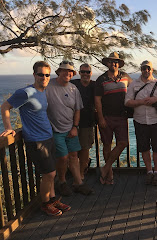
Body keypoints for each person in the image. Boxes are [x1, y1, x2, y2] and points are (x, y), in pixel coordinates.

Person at [0, 61, 71, 216]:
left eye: (47, 75)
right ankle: (45, 204)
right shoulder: (26, 92)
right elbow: (5, 107)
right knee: (49, 173)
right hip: (35, 140)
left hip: (48, 136)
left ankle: (52, 199)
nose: (44, 77)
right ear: (34, 75)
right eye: (40, 74)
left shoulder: (42, 92)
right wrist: (9, 128)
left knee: (51, 172)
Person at [46, 61, 93, 196]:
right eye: (64, 70)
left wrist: (75, 127)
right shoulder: (48, 86)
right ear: (58, 72)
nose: (67, 73)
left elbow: (77, 110)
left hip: (70, 128)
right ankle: (62, 182)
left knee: (73, 156)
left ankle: (79, 183)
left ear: (73, 74)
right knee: (63, 157)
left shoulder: (73, 89)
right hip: (55, 129)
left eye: (70, 71)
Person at [125, 60, 157, 186]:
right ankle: (149, 171)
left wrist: (155, 99)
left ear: (152, 69)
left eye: (148, 68)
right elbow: (127, 102)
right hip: (140, 121)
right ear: (141, 69)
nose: (146, 70)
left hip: (156, 120)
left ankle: (156, 172)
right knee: (144, 147)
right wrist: (141, 102)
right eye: (144, 68)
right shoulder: (134, 84)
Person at [95, 52, 132, 185]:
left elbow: (136, 89)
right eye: (111, 61)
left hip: (122, 116)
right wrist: (100, 118)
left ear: (119, 64)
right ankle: (109, 174)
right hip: (107, 117)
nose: (114, 64)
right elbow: (97, 100)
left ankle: (105, 168)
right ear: (107, 63)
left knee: (123, 142)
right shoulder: (101, 79)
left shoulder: (125, 77)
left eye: (116, 61)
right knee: (106, 145)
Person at [71, 63, 95, 180]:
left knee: (85, 148)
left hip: (88, 121)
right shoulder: (73, 84)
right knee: (73, 150)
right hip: (72, 123)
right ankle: (74, 173)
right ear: (79, 73)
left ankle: (81, 173)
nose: (85, 74)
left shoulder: (94, 85)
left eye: (87, 72)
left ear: (91, 73)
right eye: (83, 72)